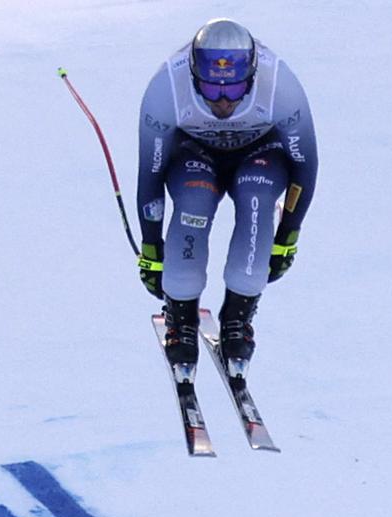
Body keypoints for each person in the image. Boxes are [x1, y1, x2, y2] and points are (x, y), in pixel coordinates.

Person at [136, 18, 318, 379]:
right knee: (193, 205)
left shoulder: (280, 86)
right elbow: (151, 174)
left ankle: (238, 318)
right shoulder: (166, 89)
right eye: (210, 88)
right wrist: (152, 249)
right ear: (192, 76)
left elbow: (305, 165)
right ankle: (181, 317)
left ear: (251, 77)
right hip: (193, 154)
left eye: (234, 92)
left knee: (256, 200)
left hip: (260, 153)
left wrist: (287, 237)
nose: (222, 101)